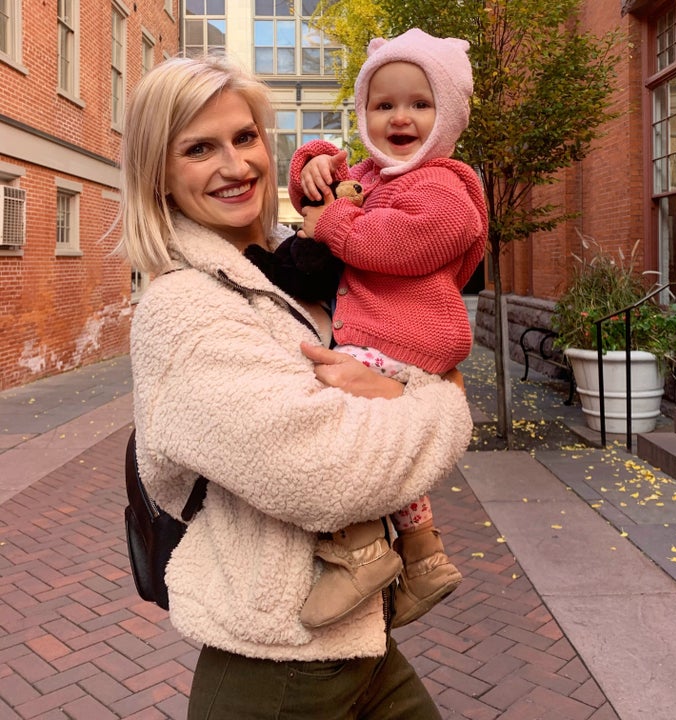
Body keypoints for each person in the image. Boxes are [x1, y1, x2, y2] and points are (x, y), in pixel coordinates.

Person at [117, 54, 473, 719]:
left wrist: (390, 393)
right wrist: (442, 403)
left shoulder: (278, 270)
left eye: (245, 137)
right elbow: (328, 471)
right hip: (275, 669)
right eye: (199, 148)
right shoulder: (185, 309)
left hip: (356, 638)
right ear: (159, 176)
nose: (236, 165)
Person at [278, 29, 488, 630]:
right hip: (385, 336)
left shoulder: (441, 184)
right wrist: (314, 163)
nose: (401, 118)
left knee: (332, 426)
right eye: (384, 104)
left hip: (403, 337)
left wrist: (336, 221)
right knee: (374, 438)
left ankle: (360, 550)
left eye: (420, 105)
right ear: (365, 113)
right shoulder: (376, 174)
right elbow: (318, 198)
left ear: (447, 117)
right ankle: (423, 553)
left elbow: (404, 240)